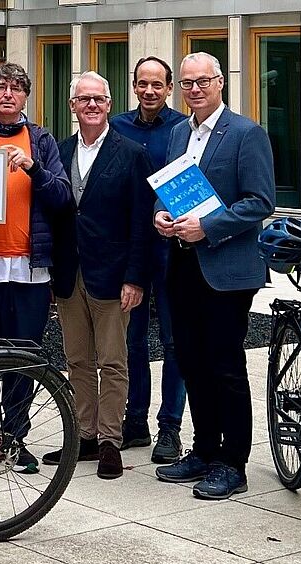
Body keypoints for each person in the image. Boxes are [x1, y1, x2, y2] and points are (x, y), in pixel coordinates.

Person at [153, 52, 275, 499]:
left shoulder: (246, 133)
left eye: (203, 81)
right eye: (186, 83)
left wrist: (208, 226)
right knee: (190, 361)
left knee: (225, 365)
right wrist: (161, 217)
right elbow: (167, 190)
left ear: (221, 82)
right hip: (182, 264)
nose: (195, 90)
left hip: (226, 270)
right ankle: (204, 449)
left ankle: (233, 463)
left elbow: (260, 201)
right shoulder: (178, 133)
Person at [0, 62, 70, 474]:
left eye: (17, 88)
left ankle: (15, 437)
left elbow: (63, 198)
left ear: (26, 97)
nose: (8, 94)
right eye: (0, 87)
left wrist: (32, 167)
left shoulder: (41, 141)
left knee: (23, 360)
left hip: (29, 269)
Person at [49, 71, 153, 480]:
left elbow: (142, 223)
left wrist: (135, 277)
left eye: (99, 99)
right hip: (69, 274)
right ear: (72, 106)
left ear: (109, 105)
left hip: (113, 276)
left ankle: (111, 440)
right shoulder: (59, 151)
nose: (91, 105)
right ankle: (85, 437)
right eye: (83, 99)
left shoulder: (131, 153)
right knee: (77, 360)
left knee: (113, 362)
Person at [109, 56, 188, 464]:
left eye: (158, 84)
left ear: (169, 87)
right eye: (143, 84)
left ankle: (170, 428)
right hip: (134, 250)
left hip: (175, 250)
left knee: (176, 343)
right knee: (132, 340)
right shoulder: (117, 127)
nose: (150, 91)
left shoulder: (184, 129)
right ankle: (134, 420)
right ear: (134, 85)